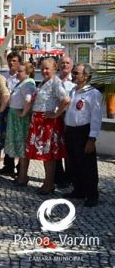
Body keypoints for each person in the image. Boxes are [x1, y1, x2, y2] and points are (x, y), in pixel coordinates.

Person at [23, 58, 70, 195]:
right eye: (42, 68)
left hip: (47, 123)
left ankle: (49, 184)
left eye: (47, 68)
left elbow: (66, 99)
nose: (44, 71)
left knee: (48, 156)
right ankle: (48, 182)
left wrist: (56, 114)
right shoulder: (44, 82)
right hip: (39, 121)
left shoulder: (55, 82)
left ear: (54, 69)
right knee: (45, 155)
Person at [63, 63, 102, 207]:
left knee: (88, 165)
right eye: (73, 72)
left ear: (85, 76)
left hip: (84, 131)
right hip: (71, 131)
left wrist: (92, 138)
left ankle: (92, 194)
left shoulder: (93, 93)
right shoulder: (73, 91)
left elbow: (96, 118)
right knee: (73, 162)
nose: (73, 75)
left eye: (76, 73)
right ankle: (78, 190)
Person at [6, 63, 36, 186]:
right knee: (19, 148)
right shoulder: (21, 83)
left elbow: (29, 100)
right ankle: (21, 175)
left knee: (23, 148)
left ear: (27, 72)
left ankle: (23, 176)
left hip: (20, 121)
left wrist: (23, 113)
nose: (18, 73)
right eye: (18, 71)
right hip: (15, 117)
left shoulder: (28, 83)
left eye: (21, 71)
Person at [0, 52, 22, 177]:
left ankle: (20, 167)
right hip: (6, 110)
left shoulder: (21, 78)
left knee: (18, 138)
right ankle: (8, 165)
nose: (11, 63)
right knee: (7, 138)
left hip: (17, 111)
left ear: (19, 62)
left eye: (14, 60)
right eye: (9, 60)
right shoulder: (4, 77)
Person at [55, 56, 75, 188]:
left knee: (68, 148)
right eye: (62, 63)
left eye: (67, 63)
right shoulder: (54, 81)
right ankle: (58, 176)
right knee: (56, 147)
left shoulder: (75, 83)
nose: (65, 65)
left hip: (68, 118)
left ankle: (70, 176)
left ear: (71, 66)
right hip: (55, 118)